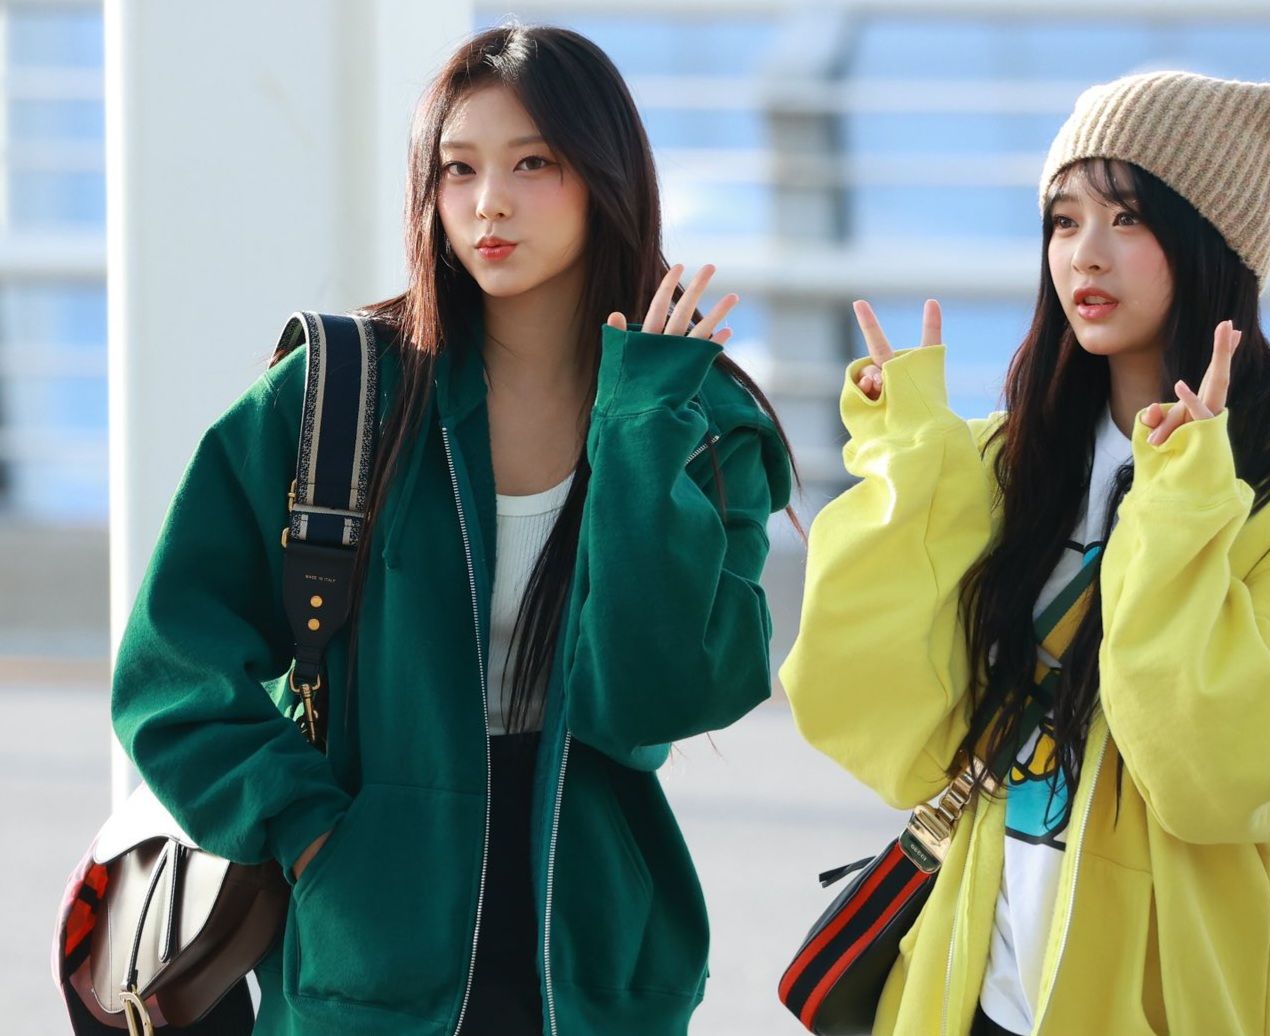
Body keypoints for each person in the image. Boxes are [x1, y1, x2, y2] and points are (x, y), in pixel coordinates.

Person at [111, 23, 793, 1036]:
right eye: (457, 169)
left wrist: (639, 434)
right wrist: (306, 829)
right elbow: (170, 669)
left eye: (533, 164)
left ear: (606, 177)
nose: (488, 203)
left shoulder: (700, 425)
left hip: (595, 958)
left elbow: (653, 700)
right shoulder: (341, 397)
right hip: (369, 948)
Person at [781, 69, 1270, 1036]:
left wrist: (1182, 507)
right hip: (985, 989)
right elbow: (886, 725)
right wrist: (912, 473)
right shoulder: (1014, 463)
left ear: (1212, 243)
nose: (1085, 255)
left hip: (1187, 1003)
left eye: (1129, 218)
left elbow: (1220, 775)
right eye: (1064, 221)